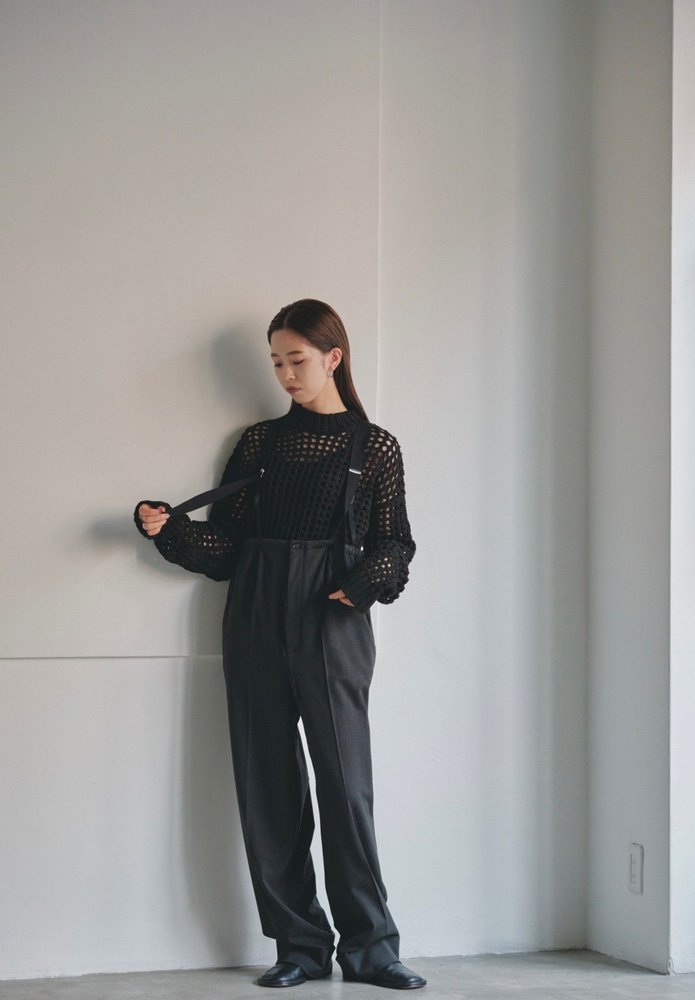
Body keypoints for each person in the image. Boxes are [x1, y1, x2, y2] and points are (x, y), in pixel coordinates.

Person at [134, 299, 426, 990]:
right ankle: (299, 946)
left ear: (333, 357)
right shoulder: (261, 444)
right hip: (257, 606)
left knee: (345, 782)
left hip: (333, 615)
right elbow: (230, 546)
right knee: (266, 778)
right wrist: (170, 530)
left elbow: (396, 541)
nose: (287, 374)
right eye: (276, 363)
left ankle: (371, 947)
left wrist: (366, 582)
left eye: (297, 360)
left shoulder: (374, 446)